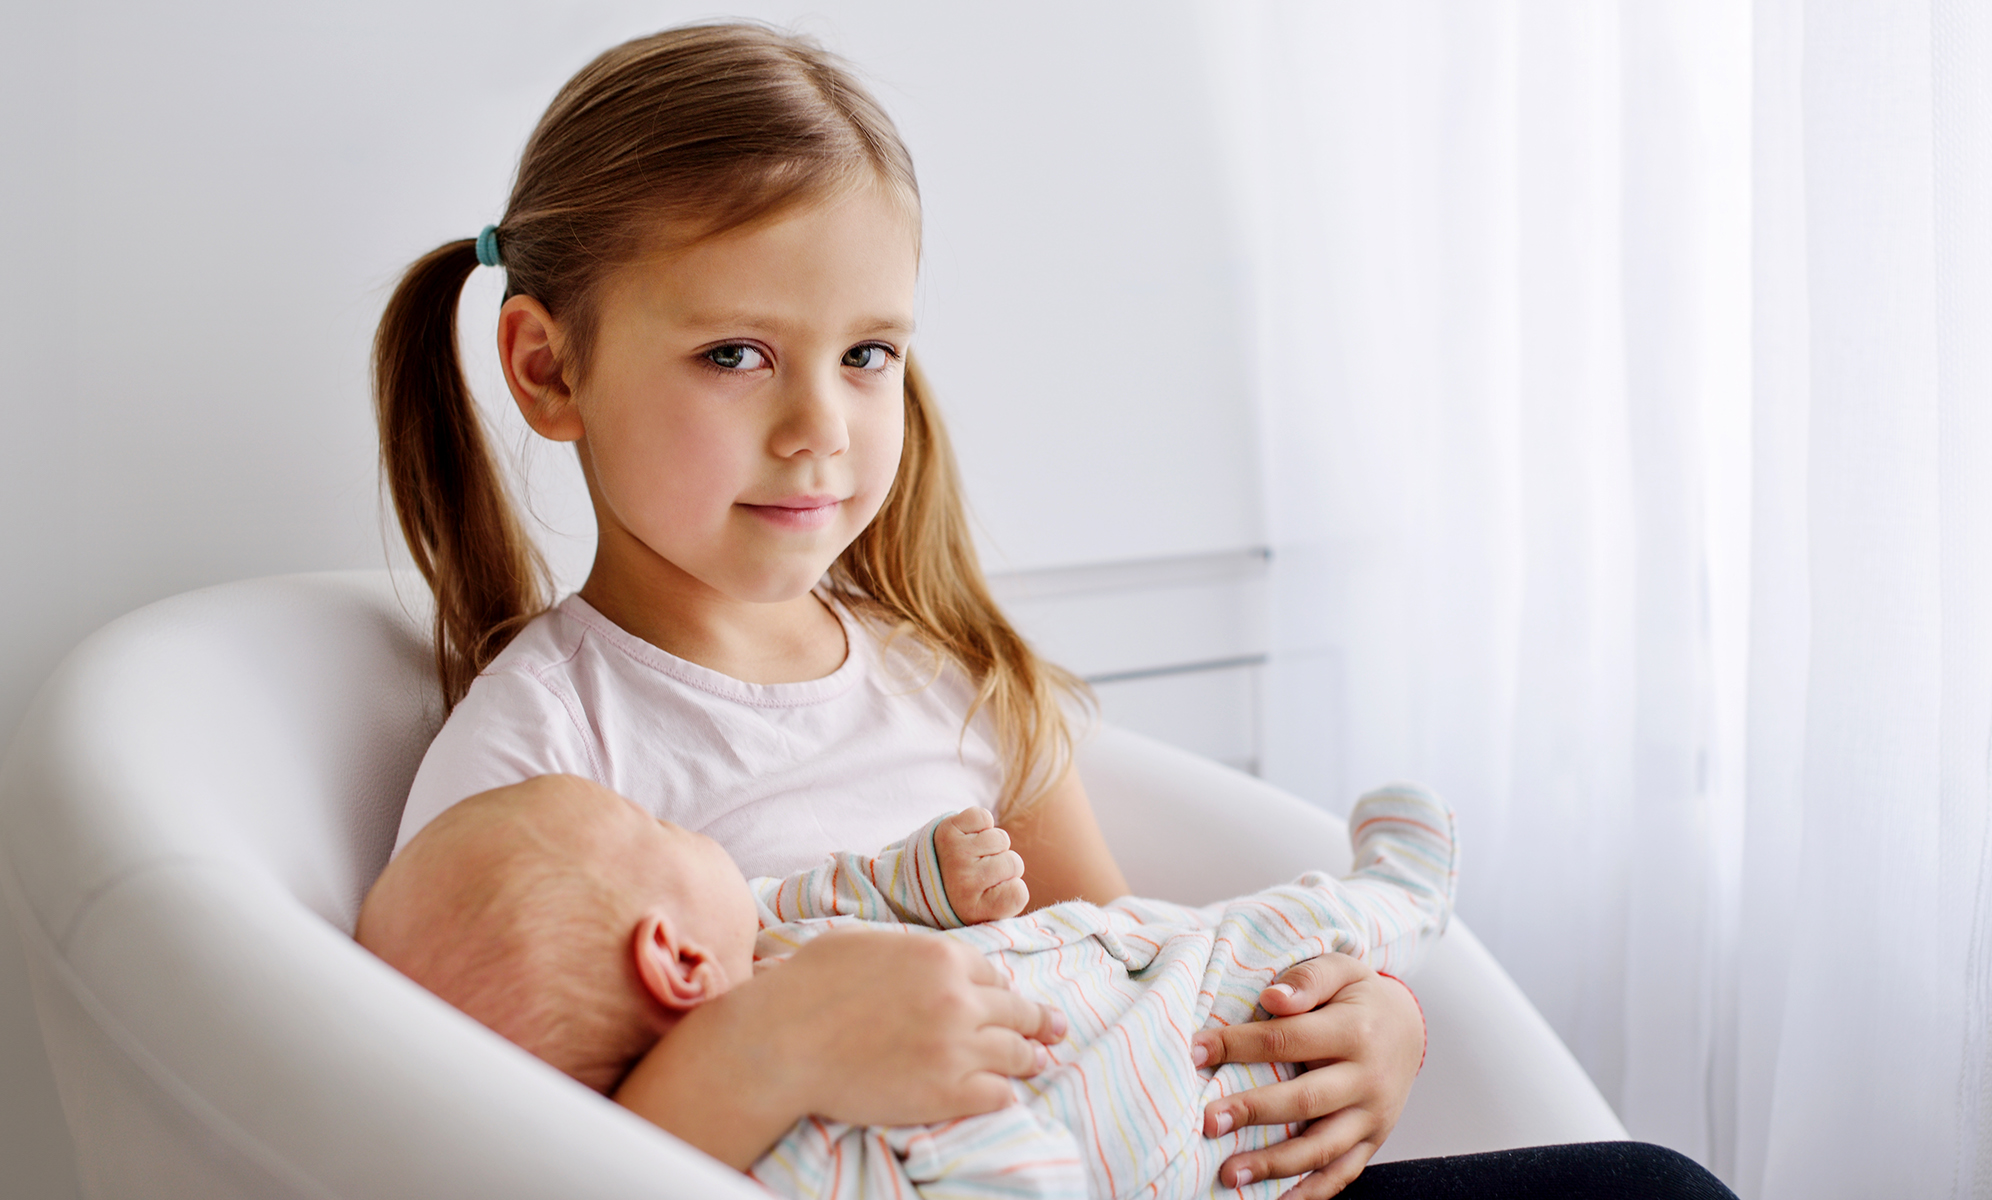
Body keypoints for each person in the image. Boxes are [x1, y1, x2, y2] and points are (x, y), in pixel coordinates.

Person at [357, 21, 1736, 1200]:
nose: (818, 429)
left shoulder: (955, 683)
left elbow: (1137, 975)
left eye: (868, 355)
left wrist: (1367, 1033)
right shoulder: (536, 764)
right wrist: (767, 1048)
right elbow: (506, 1166)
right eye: (735, 354)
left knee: (1653, 1189)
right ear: (547, 368)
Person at [365, 774, 1458, 1200]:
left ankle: (1387, 914)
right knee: (1264, 939)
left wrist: (921, 876)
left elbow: (830, 894)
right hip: (1185, 1112)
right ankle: (1401, 892)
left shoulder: (763, 939)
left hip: (1129, 970)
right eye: (661, 828)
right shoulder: (827, 1144)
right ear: (677, 960)